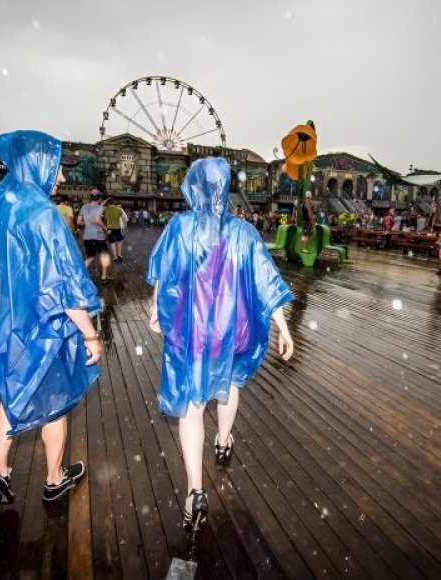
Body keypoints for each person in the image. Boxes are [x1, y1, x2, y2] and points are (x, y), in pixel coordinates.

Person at [0, 130, 102, 504]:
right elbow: (61, 285)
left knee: (14, 392)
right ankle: (55, 479)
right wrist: (90, 335)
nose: (61, 177)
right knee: (54, 402)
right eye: (58, 168)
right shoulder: (40, 211)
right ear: (40, 162)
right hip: (41, 326)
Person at [147, 158, 294, 532]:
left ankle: (195, 491)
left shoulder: (179, 227)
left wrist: (154, 308)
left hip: (191, 332)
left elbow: (163, 273)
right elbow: (266, 281)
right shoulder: (243, 232)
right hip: (231, 331)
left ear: (193, 187)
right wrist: (283, 326)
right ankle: (224, 441)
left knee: (192, 406)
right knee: (228, 386)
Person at [77, 190, 112, 281]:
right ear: (99, 198)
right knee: (104, 255)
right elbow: (97, 219)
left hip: (87, 236)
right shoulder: (99, 208)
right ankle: (104, 277)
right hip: (98, 236)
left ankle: (79, 275)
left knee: (90, 257)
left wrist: (87, 222)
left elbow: (78, 222)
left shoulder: (84, 207)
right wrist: (106, 228)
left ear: (90, 197)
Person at [102, 197, 127, 262]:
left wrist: (105, 201)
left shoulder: (106, 209)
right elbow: (124, 219)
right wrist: (125, 225)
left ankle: (115, 257)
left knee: (112, 243)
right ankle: (119, 255)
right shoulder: (118, 209)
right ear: (113, 203)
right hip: (118, 228)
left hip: (109, 229)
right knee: (119, 241)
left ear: (108, 203)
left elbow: (99, 208)